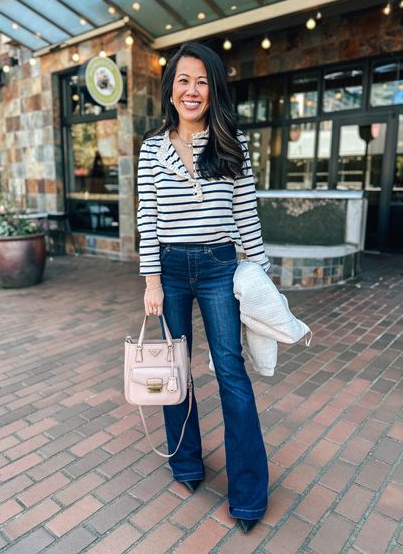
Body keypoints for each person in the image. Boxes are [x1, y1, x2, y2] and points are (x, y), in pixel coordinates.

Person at [136, 42, 269, 533]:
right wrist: (151, 280)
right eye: (184, 81)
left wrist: (260, 273)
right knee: (176, 369)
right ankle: (187, 464)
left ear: (213, 90)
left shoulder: (231, 141)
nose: (192, 91)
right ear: (170, 88)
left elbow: (246, 214)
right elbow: (147, 219)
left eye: (202, 82)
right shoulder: (152, 148)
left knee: (231, 373)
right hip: (169, 269)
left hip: (217, 267)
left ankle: (250, 495)